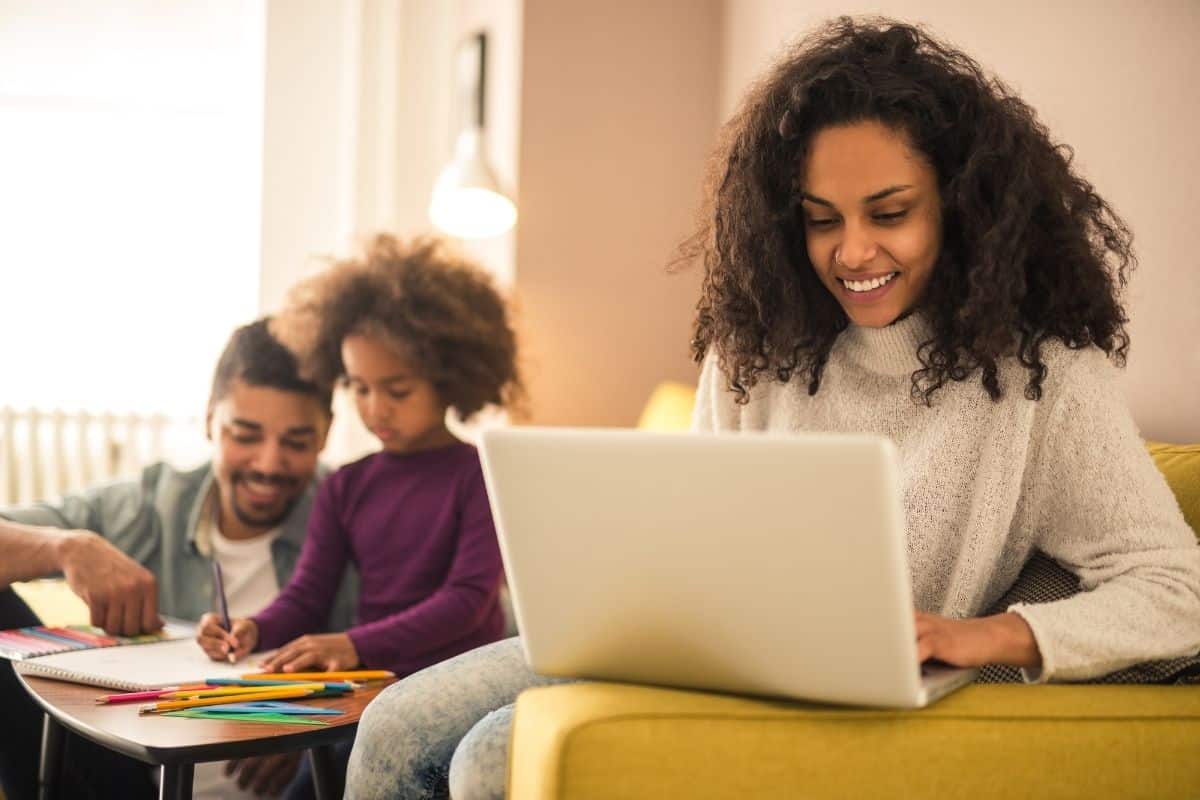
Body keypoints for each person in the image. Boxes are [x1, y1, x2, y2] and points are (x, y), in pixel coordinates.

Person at [339, 17, 1200, 800]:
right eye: (821, 220)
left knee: (491, 757)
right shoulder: (760, 349)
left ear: (961, 208)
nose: (853, 252)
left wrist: (989, 636)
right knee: (391, 726)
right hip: (692, 655)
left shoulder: (1044, 377)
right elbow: (703, 534)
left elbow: (1177, 591)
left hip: (840, 695)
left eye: (890, 214)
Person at [196, 234, 524, 798]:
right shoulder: (346, 486)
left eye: (396, 389)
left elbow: (468, 599)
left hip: (450, 693)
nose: (375, 409)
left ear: (448, 378)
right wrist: (255, 627)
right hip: (366, 689)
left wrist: (351, 643)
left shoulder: (479, 474)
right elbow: (306, 595)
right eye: (359, 388)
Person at [0, 317, 358, 800]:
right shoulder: (148, 506)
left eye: (296, 442)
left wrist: (319, 717)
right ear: (211, 419)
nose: (269, 464)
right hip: (131, 780)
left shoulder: (358, 514)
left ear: (325, 433)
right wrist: (64, 546)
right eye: (246, 435)